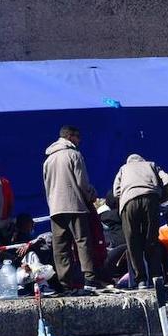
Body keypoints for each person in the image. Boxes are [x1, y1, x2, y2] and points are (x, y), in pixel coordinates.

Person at [43, 125, 101, 292]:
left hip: (55, 208)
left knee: (60, 246)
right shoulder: (74, 155)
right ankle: (89, 279)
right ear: (69, 136)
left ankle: (64, 283)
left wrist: (52, 204)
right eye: (77, 137)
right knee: (82, 242)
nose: (79, 140)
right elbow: (82, 182)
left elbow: (47, 186)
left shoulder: (48, 159)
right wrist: (91, 195)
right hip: (75, 205)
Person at [113, 153, 168, 287]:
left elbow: (116, 192)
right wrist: (164, 197)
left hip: (129, 202)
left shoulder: (123, 169)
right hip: (151, 199)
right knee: (152, 240)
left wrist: (126, 195)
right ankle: (156, 277)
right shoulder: (151, 165)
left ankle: (140, 280)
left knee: (132, 242)